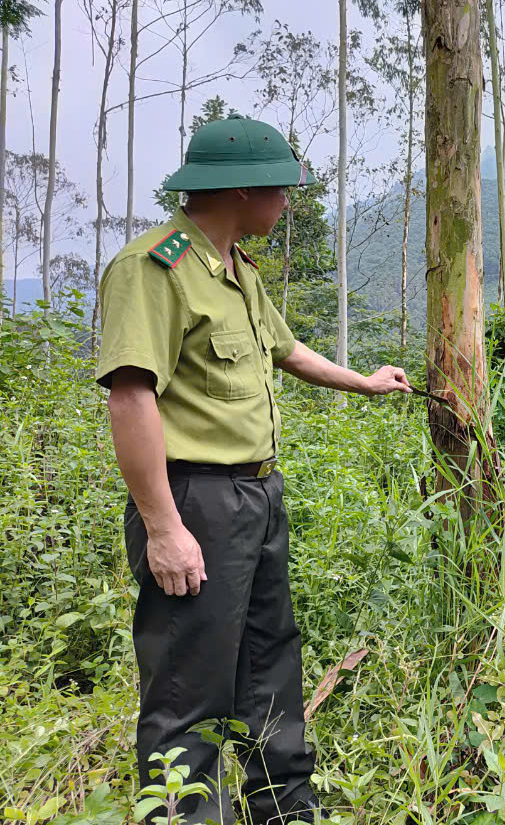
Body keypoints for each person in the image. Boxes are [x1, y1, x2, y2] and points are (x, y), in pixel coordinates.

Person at [95, 113, 412, 824]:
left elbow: (288, 352)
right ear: (242, 192)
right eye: (281, 191)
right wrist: (163, 527)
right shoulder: (155, 269)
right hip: (195, 501)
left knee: (270, 662)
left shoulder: (237, 271)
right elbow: (131, 397)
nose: (287, 204)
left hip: (256, 494)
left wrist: (363, 382)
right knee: (189, 686)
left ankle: (282, 808)